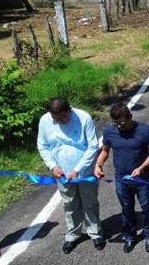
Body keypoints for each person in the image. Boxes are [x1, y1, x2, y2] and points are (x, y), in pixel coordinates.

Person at [37, 98, 104, 254]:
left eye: (63, 117)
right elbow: (43, 146)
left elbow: (93, 145)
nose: (60, 121)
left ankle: (95, 232)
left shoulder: (83, 117)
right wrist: (53, 166)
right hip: (62, 172)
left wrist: (78, 168)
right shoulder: (45, 121)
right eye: (56, 119)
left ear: (69, 110)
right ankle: (72, 235)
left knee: (90, 202)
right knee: (70, 203)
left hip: (85, 171)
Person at [95, 103, 149, 253]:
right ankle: (130, 236)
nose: (119, 127)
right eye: (116, 123)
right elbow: (105, 150)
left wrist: (142, 167)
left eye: (123, 123)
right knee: (126, 208)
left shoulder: (144, 130)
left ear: (131, 117)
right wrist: (98, 165)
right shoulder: (109, 131)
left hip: (141, 178)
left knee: (146, 207)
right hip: (121, 179)